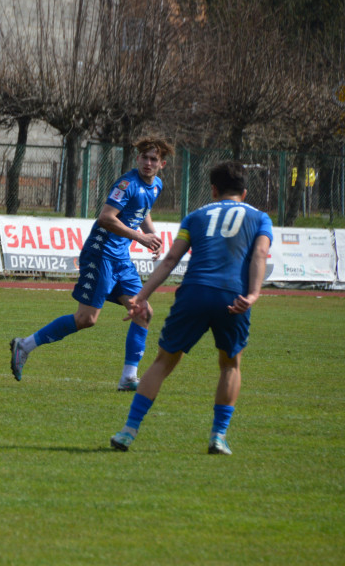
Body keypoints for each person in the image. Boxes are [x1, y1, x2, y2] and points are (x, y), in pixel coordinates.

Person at [110, 161, 273, 454]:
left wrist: (142, 296)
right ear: (244, 192)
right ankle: (218, 437)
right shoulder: (260, 218)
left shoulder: (195, 217)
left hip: (194, 294)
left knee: (163, 362)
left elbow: (171, 259)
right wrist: (254, 294)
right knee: (230, 365)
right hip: (233, 297)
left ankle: (127, 431)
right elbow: (260, 254)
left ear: (213, 190)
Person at [9, 137, 174, 389]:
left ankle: (128, 377)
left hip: (121, 258)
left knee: (143, 311)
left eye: (154, 159)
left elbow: (143, 211)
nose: (148, 163)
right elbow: (106, 218)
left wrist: (153, 236)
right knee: (87, 319)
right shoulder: (126, 183)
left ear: (162, 164)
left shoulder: (156, 185)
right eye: (145, 157)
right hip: (101, 254)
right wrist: (141, 237)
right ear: (137, 159)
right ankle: (25, 345)